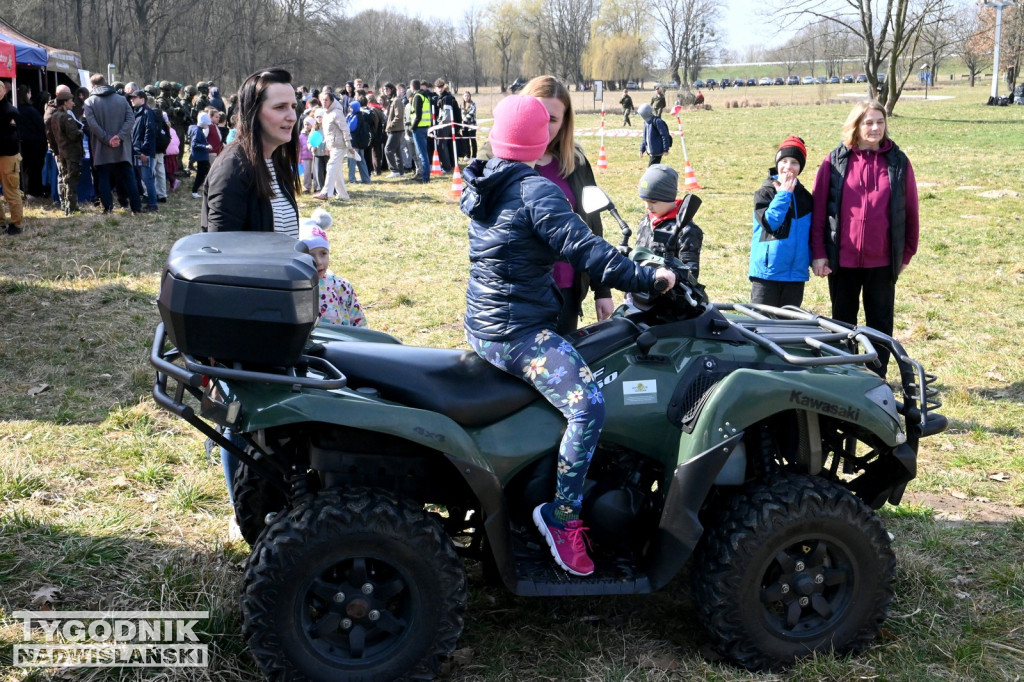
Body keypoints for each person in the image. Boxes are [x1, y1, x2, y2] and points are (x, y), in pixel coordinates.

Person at [461, 95, 676, 577]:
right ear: (543, 140)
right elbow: (584, 250)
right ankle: (560, 515)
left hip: (485, 321)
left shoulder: (484, 179)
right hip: (516, 333)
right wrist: (649, 278)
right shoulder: (536, 191)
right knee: (588, 404)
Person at [810, 100, 919, 377]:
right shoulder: (835, 160)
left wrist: (907, 253)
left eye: (879, 122)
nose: (875, 128)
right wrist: (819, 253)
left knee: (880, 325)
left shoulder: (898, 162)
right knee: (842, 324)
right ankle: (846, 379)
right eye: (868, 122)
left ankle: (876, 380)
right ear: (856, 126)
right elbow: (820, 209)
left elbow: (911, 210)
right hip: (841, 260)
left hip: (882, 261)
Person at [508, 75, 616, 334]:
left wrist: (602, 289)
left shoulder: (575, 162)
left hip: (567, 287)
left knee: (560, 367)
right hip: (519, 293)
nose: (543, 126)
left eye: (553, 120)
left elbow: (592, 227)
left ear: (565, 122)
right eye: (537, 115)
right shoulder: (498, 159)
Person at [201, 66, 299, 236]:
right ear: (253, 113)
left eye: (293, 106)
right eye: (280, 107)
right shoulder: (232, 169)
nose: (292, 116)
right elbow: (221, 250)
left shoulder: (275, 159)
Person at [749, 135, 814, 307]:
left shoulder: (806, 198)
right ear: (777, 162)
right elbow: (771, 223)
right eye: (784, 161)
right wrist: (784, 195)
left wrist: (815, 259)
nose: (788, 167)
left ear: (800, 167)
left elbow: (810, 235)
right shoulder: (765, 193)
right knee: (762, 326)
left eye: (794, 162)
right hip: (767, 274)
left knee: (788, 328)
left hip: (795, 275)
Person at [83, 74, 141, 215]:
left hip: (102, 148)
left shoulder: (89, 102)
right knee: (129, 178)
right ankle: (136, 208)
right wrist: (119, 137)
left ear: (92, 86)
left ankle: (108, 209)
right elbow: (130, 119)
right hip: (122, 148)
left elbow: (93, 125)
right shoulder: (121, 100)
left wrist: (107, 139)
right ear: (106, 83)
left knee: (103, 178)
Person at [300, 208, 368, 327]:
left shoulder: (341, 286)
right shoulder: (295, 289)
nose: (319, 262)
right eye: (310, 256)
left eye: (323, 253)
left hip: (341, 344)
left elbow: (358, 322)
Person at [635, 164, 703, 282]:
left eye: (653, 201)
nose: (648, 206)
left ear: (669, 198)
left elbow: (690, 274)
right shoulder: (646, 220)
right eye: (644, 201)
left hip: (668, 295)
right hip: (640, 290)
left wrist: (670, 277)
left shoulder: (686, 230)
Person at [45, 91, 84, 216]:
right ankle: (71, 208)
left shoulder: (54, 116)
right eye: (71, 101)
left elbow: (51, 135)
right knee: (71, 180)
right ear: (65, 102)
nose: (73, 103)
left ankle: (66, 205)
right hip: (71, 152)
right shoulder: (66, 117)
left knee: (64, 178)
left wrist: (56, 151)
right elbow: (73, 135)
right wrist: (81, 132)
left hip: (61, 152)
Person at [313, 91, 352, 201]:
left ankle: (325, 192)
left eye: (326, 100)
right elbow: (327, 132)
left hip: (340, 145)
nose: (324, 102)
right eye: (322, 100)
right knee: (337, 171)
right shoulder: (326, 113)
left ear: (331, 101)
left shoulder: (337, 113)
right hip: (332, 145)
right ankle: (343, 195)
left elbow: (345, 129)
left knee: (331, 166)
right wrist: (326, 146)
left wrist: (349, 145)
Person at [129, 90, 159, 212]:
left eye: (134, 97)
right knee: (142, 178)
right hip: (137, 150)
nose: (132, 99)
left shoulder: (147, 112)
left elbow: (149, 132)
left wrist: (145, 152)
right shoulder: (137, 113)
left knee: (147, 178)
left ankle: (153, 204)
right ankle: (149, 201)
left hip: (143, 152)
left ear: (142, 99)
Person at [16, 86, 47, 199]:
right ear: (27, 94)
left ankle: (21, 190)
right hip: (35, 144)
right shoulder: (31, 111)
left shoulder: (16, 109)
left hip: (21, 143)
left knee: (21, 168)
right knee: (34, 169)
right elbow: (40, 126)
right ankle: (33, 192)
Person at [408, 79, 432, 183]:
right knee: (424, 153)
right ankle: (425, 175)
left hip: (419, 128)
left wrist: (413, 127)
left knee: (422, 154)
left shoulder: (417, 97)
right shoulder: (425, 96)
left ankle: (425, 178)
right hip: (425, 126)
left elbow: (418, 115)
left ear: (412, 87)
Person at [346, 100, 372, 184]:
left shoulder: (355, 116)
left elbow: (350, 128)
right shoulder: (361, 115)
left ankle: (352, 179)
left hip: (354, 142)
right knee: (361, 160)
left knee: (352, 161)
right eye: (349, 107)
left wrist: (348, 118)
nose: (350, 109)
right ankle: (366, 178)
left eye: (351, 107)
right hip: (361, 142)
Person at [188, 112, 213, 199]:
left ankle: (195, 190)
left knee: (202, 174)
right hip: (202, 157)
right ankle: (196, 191)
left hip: (201, 156)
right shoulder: (198, 131)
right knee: (204, 174)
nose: (208, 126)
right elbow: (194, 143)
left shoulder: (196, 129)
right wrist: (205, 146)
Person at [384, 83, 406, 177]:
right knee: (397, 151)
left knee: (388, 149)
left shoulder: (396, 100)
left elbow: (399, 116)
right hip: (393, 129)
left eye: (387, 89)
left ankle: (394, 170)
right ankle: (401, 172)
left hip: (396, 129)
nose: (386, 91)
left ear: (392, 89)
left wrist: (390, 125)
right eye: (384, 90)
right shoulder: (391, 101)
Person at [460, 91, 477, 161]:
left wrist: (464, 120)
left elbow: (472, 113)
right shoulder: (461, 105)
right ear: (463, 97)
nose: (466, 97)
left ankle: (474, 155)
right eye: (465, 96)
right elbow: (460, 114)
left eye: (468, 96)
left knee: (473, 140)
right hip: (464, 126)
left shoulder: (473, 104)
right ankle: (467, 155)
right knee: (465, 141)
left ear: (470, 97)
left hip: (471, 125)